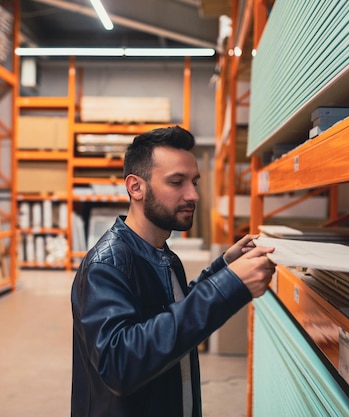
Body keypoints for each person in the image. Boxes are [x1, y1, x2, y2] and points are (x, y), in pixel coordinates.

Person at [71, 125, 276, 417]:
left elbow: (169, 312)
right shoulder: (106, 266)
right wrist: (228, 288)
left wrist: (224, 268)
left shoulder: (163, 255)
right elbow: (120, 364)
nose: (193, 195)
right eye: (177, 182)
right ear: (136, 187)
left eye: (194, 182)